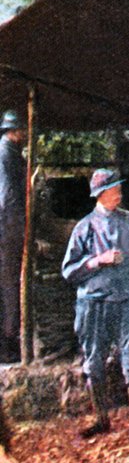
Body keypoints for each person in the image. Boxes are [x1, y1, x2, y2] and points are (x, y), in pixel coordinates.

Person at [61, 169, 129, 441]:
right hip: (94, 303)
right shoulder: (84, 228)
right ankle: (100, 417)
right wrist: (97, 261)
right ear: (101, 195)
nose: (119, 193)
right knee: (93, 361)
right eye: (114, 190)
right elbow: (68, 271)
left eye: (118, 189)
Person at [0, 110, 26, 363]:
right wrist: (20, 227)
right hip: (7, 227)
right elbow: (8, 197)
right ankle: (8, 343)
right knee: (9, 285)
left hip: (8, 224)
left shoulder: (11, 153)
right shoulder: (5, 152)